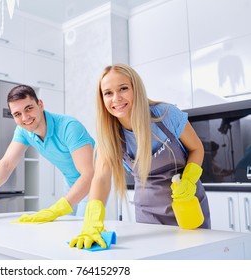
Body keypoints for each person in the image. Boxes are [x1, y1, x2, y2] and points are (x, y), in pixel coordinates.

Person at [69, 63, 211, 249]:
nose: (117, 98)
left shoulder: (166, 115)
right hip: (148, 213)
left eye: (123, 89)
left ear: (136, 88)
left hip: (188, 204)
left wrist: (189, 180)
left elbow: (197, 149)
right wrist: (92, 222)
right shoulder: (109, 133)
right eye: (108, 93)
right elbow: (101, 177)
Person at [0, 85, 95, 221]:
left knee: (82, 230)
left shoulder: (69, 127)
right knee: (68, 230)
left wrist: (55, 210)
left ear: (40, 105)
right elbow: (7, 164)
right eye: (17, 114)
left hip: (95, 182)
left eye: (28, 108)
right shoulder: (23, 131)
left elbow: (89, 174)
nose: (25, 118)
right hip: (71, 183)